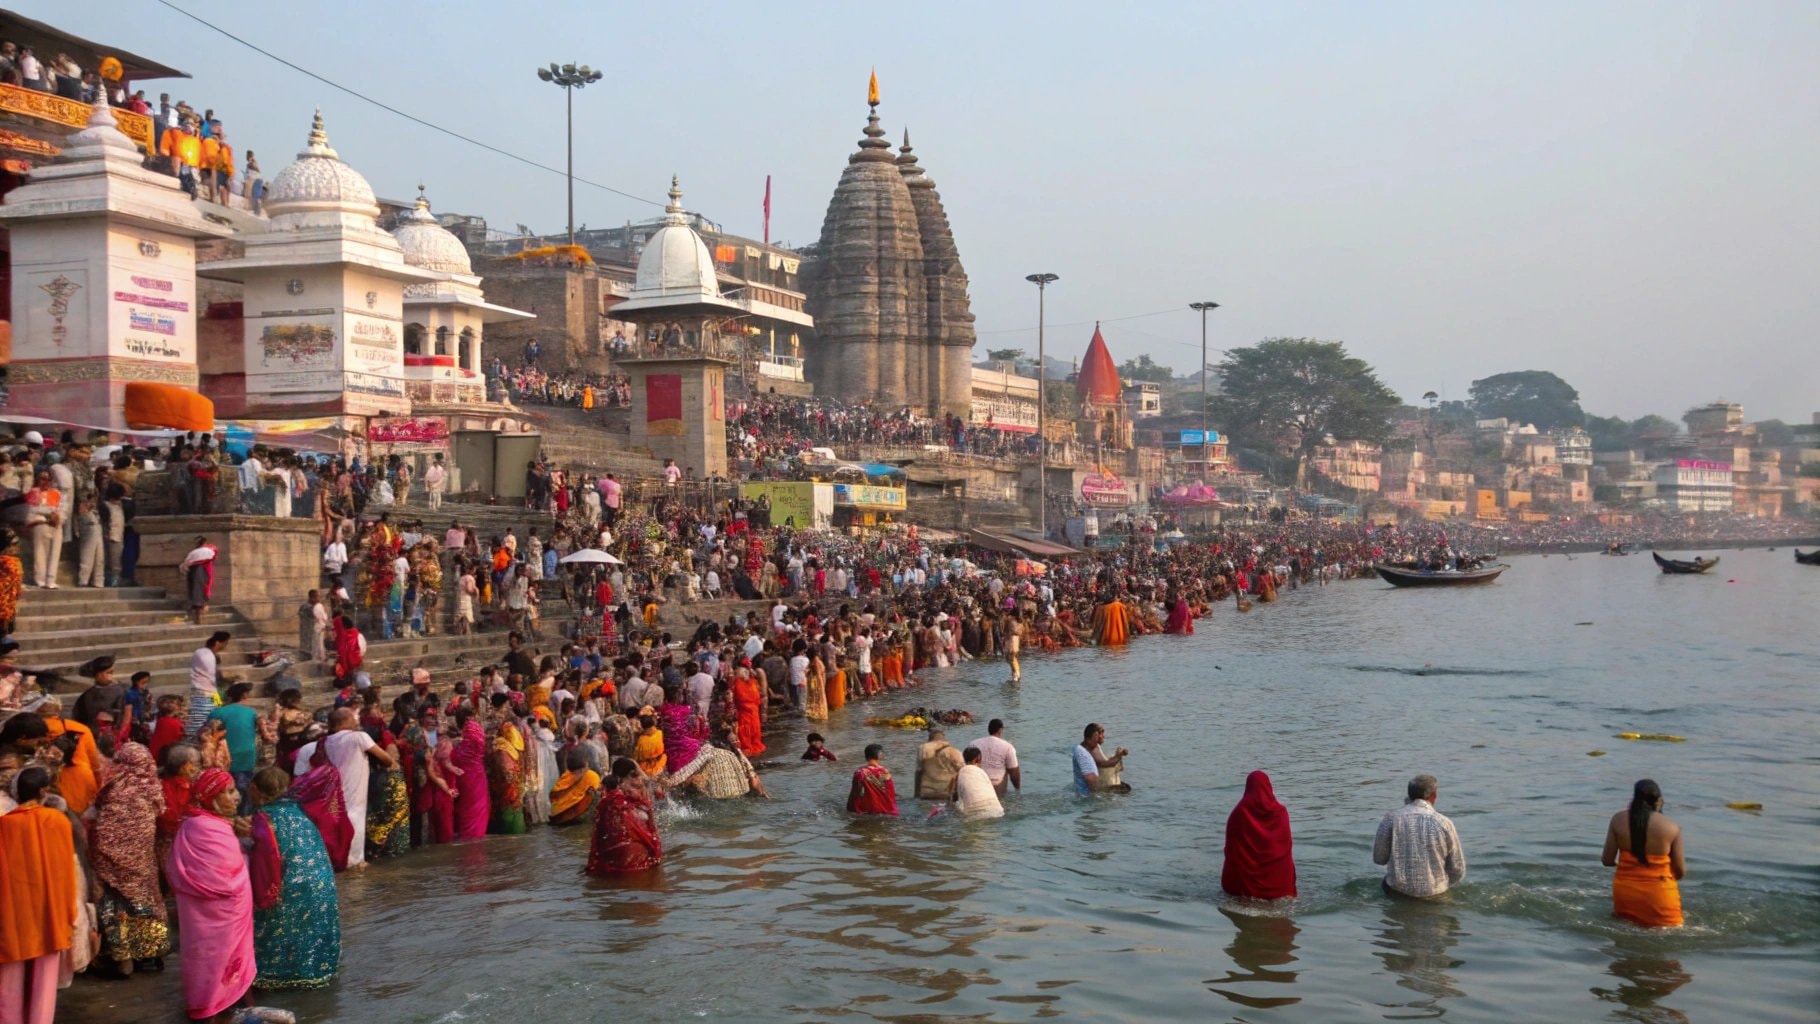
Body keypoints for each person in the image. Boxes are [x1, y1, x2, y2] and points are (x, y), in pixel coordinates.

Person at [167, 768, 289, 1023]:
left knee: (215, 959)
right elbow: (227, 877)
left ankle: (226, 1005)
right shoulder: (207, 829)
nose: (236, 797)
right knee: (219, 958)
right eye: (229, 792)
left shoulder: (195, 823)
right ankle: (214, 1010)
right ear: (212, 798)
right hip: (219, 915)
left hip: (210, 916)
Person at [248, 767, 341, 989]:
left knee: (279, 927)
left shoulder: (264, 820)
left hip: (291, 887)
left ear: (255, 790)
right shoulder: (299, 812)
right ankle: (317, 972)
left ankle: (278, 978)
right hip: (322, 886)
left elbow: (264, 866)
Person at [89, 742, 172, 977]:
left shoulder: (113, 788)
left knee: (116, 906)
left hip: (110, 862)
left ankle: (123, 958)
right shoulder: (152, 789)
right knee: (144, 901)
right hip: (141, 862)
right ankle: (148, 954)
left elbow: (102, 826)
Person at [0, 768, 75, 1024]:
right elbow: (66, 872)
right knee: (44, 980)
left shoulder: (4, 824)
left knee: (9, 977)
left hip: (13, 913)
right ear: (44, 792)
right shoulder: (58, 821)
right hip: (49, 911)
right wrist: (69, 914)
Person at [1601, 778, 1685, 927]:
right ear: (1659, 801)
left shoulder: (1618, 820)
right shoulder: (1671, 828)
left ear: (1634, 798)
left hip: (1625, 892)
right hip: (1660, 895)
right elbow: (1680, 871)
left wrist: (1628, 868)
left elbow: (1607, 860)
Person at [321, 707, 396, 869]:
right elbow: (386, 759)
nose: (356, 720)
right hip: (355, 796)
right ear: (345, 721)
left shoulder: (326, 741)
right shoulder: (359, 737)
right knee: (355, 851)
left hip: (335, 795)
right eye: (353, 717)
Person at [1373, 774, 1466, 899]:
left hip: (1398, 890)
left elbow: (1379, 859)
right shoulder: (1444, 823)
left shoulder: (1390, 819)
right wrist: (1442, 885)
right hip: (1435, 892)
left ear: (1409, 794)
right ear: (1433, 796)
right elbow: (1457, 868)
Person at [1221, 770, 1297, 900]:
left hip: (1243, 890)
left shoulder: (1238, 814)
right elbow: (1285, 851)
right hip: (1280, 889)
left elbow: (1231, 852)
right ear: (1269, 787)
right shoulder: (1280, 813)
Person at [586, 757, 662, 875]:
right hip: (632, 863)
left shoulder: (611, 800)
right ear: (623, 779)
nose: (640, 780)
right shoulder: (614, 802)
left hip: (618, 864)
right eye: (635, 775)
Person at [207, 681, 260, 802]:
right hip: (246, 756)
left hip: (222, 758)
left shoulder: (217, 712)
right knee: (244, 792)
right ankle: (244, 816)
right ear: (245, 695)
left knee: (224, 790)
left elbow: (208, 735)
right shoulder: (251, 712)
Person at [450, 706, 490, 840]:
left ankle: (468, 837)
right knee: (477, 809)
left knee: (467, 809)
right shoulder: (475, 729)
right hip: (477, 774)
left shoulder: (468, 732)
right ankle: (475, 836)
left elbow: (459, 756)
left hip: (466, 775)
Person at [187, 631, 230, 739]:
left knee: (199, 721)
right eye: (224, 643)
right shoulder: (208, 656)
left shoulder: (200, 652)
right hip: (206, 693)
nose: (225, 647)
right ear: (217, 643)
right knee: (204, 723)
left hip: (200, 692)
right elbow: (211, 676)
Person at [1072, 723, 1129, 795]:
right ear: (1095, 735)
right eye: (1102, 733)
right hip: (1087, 795)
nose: (1104, 736)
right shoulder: (1082, 752)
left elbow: (1105, 762)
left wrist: (1119, 755)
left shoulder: (1095, 746)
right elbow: (1091, 779)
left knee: (1126, 789)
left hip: (1097, 789)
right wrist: (1119, 756)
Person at [968, 719, 1021, 796]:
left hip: (977, 787)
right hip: (997, 790)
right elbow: (1014, 772)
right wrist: (1017, 790)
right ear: (1000, 730)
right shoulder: (1008, 747)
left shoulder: (973, 744)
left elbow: (968, 766)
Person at [548, 750, 601, 826]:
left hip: (557, 816)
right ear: (582, 768)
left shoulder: (565, 776)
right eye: (587, 763)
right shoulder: (591, 776)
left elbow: (553, 796)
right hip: (576, 815)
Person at [846, 743, 899, 816]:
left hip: (867, 810)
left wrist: (850, 808)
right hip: (885, 810)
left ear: (866, 756)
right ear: (879, 755)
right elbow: (891, 794)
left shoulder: (860, 772)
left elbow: (854, 793)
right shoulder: (885, 772)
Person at [950, 747, 1004, 818]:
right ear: (978, 759)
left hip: (974, 814)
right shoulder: (982, 772)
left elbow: (954, 797)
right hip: (996, 811)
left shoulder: (960, 773)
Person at [915, 727, 965, 801]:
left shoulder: (923, 749)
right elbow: (962, 773)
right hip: (946, 795)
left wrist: (916, 795)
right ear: (944, 740)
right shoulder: (955, 752)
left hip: (926, 794)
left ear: (929, 740)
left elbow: (919, 772)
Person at [180, 536, 217, 623]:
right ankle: (200, 614)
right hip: (205, 573)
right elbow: (213, 556)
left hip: (194, 573)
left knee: (196, 591)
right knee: (203, 591)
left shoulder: (193, 552)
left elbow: (185, 564)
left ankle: (198, 613)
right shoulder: (210, 550)